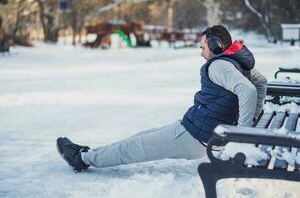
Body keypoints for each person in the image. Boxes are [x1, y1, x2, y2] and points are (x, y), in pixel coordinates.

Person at [56, 25, 267, 173]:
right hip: (197, 129)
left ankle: (81, 160)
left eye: (203, 47)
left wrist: (241, 134)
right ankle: (90, 153)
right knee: (138, 138)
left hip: (195, 137)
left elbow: (247, 91)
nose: (201, 53)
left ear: (216, 45)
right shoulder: (233, 62)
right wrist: (251, 119)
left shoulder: (219, 65)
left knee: (131, 148)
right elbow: (260, 82)